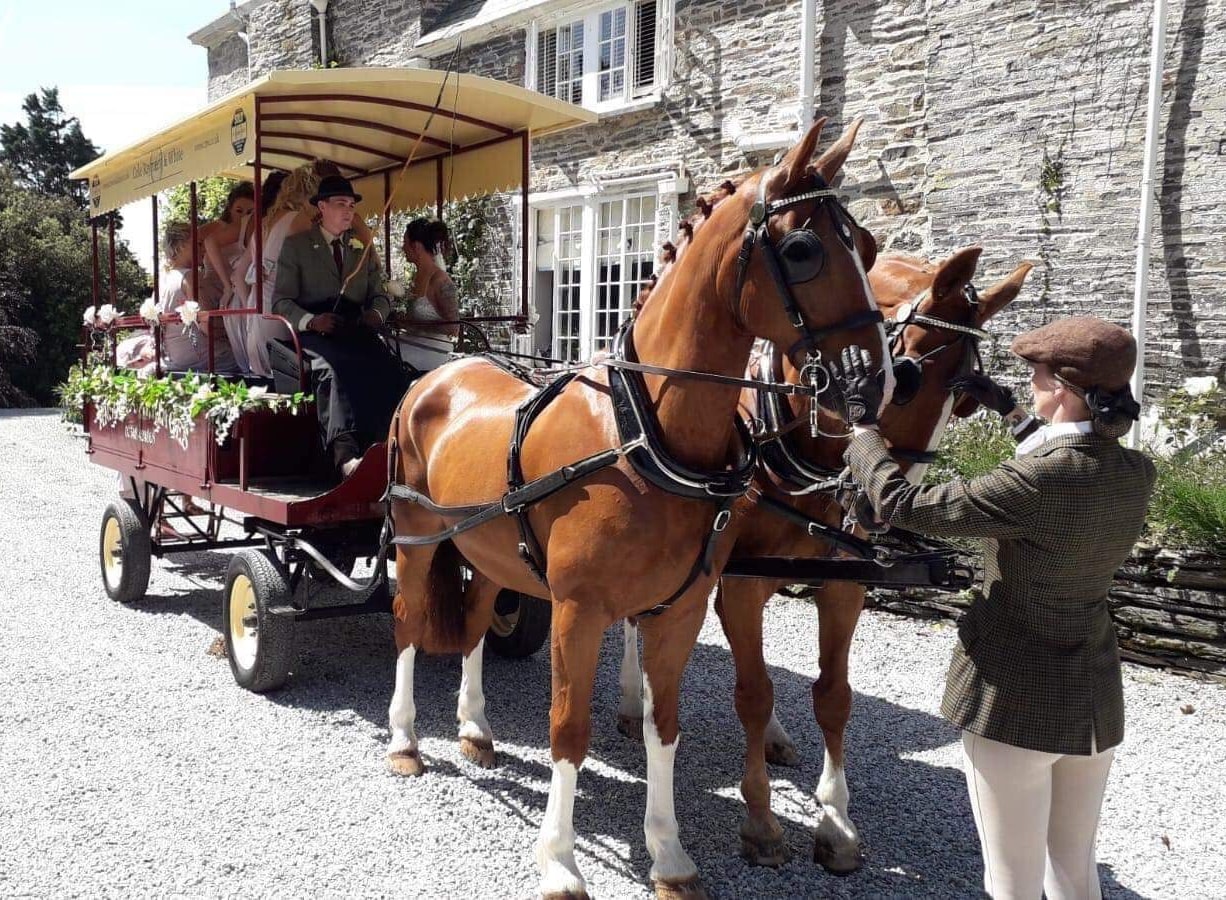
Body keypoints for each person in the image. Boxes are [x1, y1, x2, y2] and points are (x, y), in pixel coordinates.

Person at [830, 317, 1155, 900]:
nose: (1029, 384)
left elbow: (908, 504)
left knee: (1010, 883)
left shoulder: (1036, 480)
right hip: (1091, 702)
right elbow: (1069, 455)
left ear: (1062, 387)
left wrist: (862, 428)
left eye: (1034, 377)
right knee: (1076, 873)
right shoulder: (1135, 471)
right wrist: (1010, 414)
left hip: (1013, 699)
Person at [271, 174, 406, 477]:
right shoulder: (297, 246)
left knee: (389, 367)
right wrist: (312, 321)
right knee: (333, 371)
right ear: (321, 207)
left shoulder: (361, 247)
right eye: (340, 204)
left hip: (355, 327)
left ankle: (392, 444)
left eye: (351, 205)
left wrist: (376, 314)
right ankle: (345, 455)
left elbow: (380, 295)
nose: (348, 211)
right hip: (314, 333)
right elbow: (281, 302)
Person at [158, 221, 239, 373]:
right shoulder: (190, 277)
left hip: (176, 355)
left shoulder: (163, 278)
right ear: (181, 246)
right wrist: (231, 333)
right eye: (198, 243)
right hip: (200, 356)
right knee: (244, 357)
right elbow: (206, 326)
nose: (203, 249)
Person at [198, 182, 256, 370]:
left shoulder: (248, 229)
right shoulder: (221, 227)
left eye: (250, 211)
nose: (244, 216)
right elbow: (203, 241)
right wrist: (226, 284)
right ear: (230, 209)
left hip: (232, 290)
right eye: (239, 210)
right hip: (219, 289)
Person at [400, 218, 460, 338]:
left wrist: (416, 325)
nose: (403, 248)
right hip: (412, 343)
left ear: (416, 246)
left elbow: (454, 328)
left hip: (433, 349)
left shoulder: (441, 280)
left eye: (405, 243)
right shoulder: (415, 278)